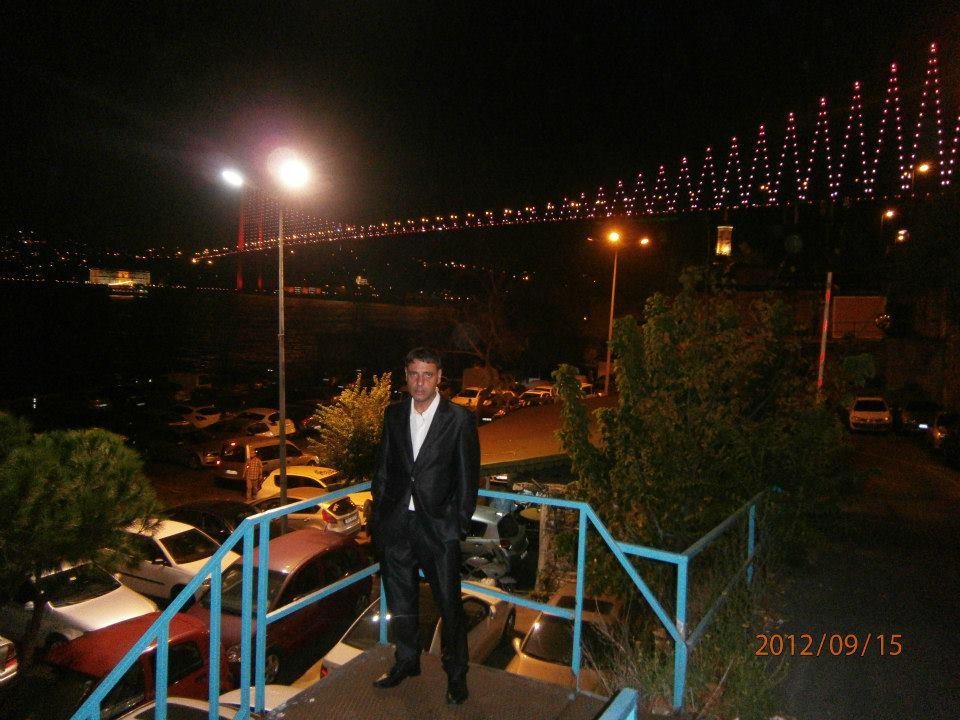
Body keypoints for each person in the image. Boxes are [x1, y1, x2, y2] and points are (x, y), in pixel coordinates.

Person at [371, 347, 480, 706]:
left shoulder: (459, 419)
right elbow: (383, 469)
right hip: (397, 524)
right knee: (400, 598)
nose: (420, 382)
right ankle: (407, 661)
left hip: (438, 528)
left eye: (427, 375)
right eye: (414, 374)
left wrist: (456, 526)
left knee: (449, 604)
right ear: (406, 376)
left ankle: (457, 676)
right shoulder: (393, 414)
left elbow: (468, 480)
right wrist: (381, 516)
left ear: (439, 377)